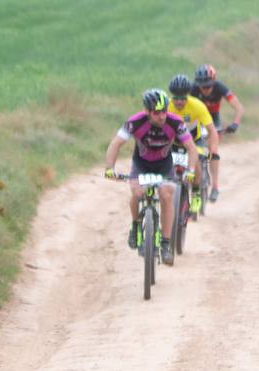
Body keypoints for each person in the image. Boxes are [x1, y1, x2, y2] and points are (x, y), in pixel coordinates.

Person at [103, 88, 198, 266]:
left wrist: (191, 170)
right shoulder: (134, 122)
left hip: (164, 164)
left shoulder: (175, 122)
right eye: (156, 113)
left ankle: (166, 243)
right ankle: (136, 225)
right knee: (137, 193)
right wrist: (110, 168)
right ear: (147, 111)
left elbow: (191, 148)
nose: (162, 116)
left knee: (166, 195)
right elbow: (115, 144)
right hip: (141, 164)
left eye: (164, 111)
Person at [167, 74, 218, 211]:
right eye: (175, 98)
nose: (179, 102)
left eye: (182, 98)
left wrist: (213, 150)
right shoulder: (166, 106)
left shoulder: (197, 106)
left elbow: (212, 131)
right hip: (174, 141)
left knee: (195, 162)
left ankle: (196, 193)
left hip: (195, 140)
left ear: (187, 96)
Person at [193, 65, 243, 201]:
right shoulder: (192, 89)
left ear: (213, 83)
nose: (205, 90)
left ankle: (215, 186)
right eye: (202, 87)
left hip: (213, 121)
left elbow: (238, 107)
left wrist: (235, 124)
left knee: (213, 150)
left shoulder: (220, 87)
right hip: (197, 120)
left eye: (208, 87)